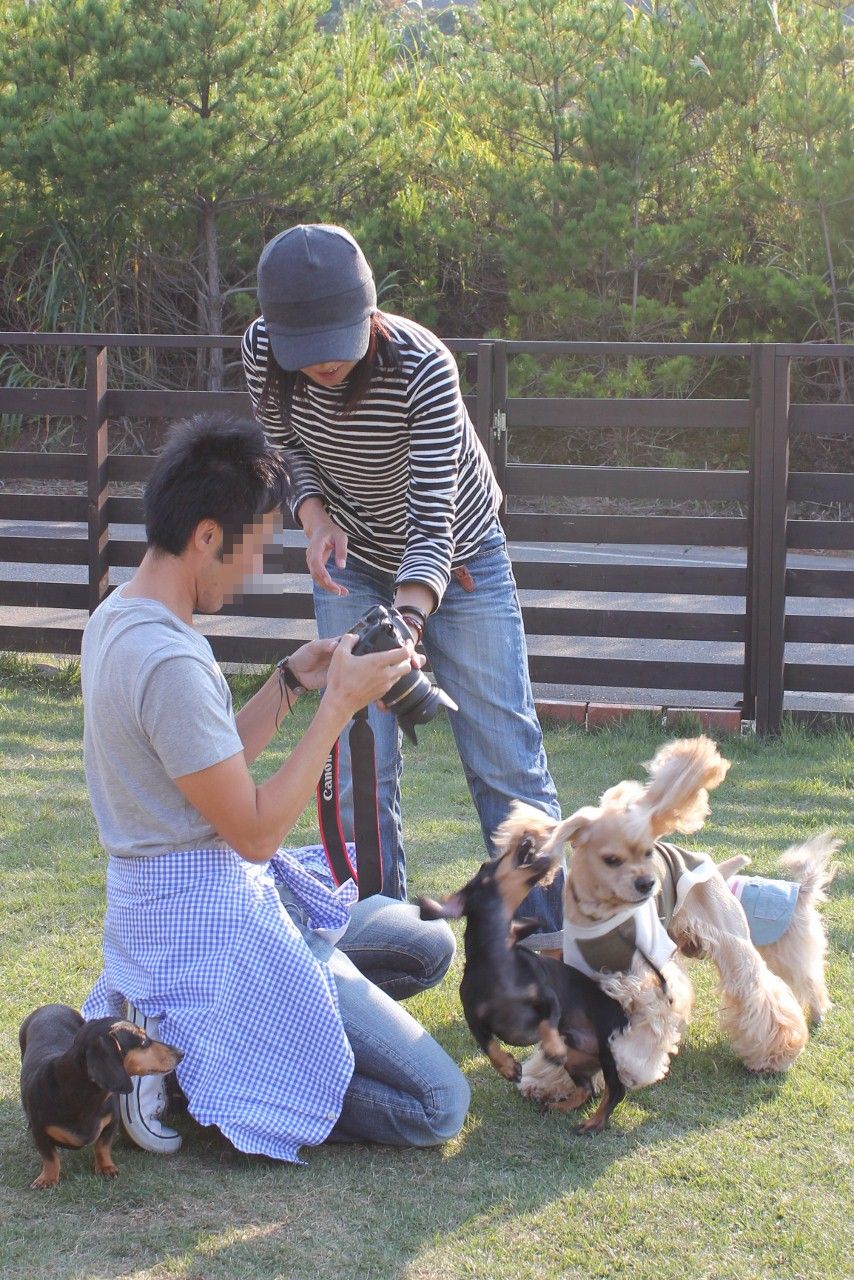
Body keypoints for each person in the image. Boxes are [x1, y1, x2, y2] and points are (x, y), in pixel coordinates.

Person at [80, 414, 469, 1163]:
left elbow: (203, 765)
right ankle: (206, 1074)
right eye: (252, 549)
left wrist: (291, 681)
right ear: (206, 537)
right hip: (215, 934)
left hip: (172, 915)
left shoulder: (117, 618)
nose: (253, 570)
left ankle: (234, 1037)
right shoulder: (170, 662)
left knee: (423, 943)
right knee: (438, 1105)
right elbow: (255, 833)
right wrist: (339, 705)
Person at [242, 223, 564, 945]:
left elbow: (432, 519)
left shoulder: (423, 365)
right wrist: (315, 518)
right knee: (360, 755)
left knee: (504, 753)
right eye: (305, 345)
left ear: (369, 312)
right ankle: (376, 940)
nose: (323, 360)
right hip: (352, 558)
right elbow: (284, 448)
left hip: (462, 556)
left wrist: (408, 626)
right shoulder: (262, 351)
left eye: (337, 338)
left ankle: (547, 941)